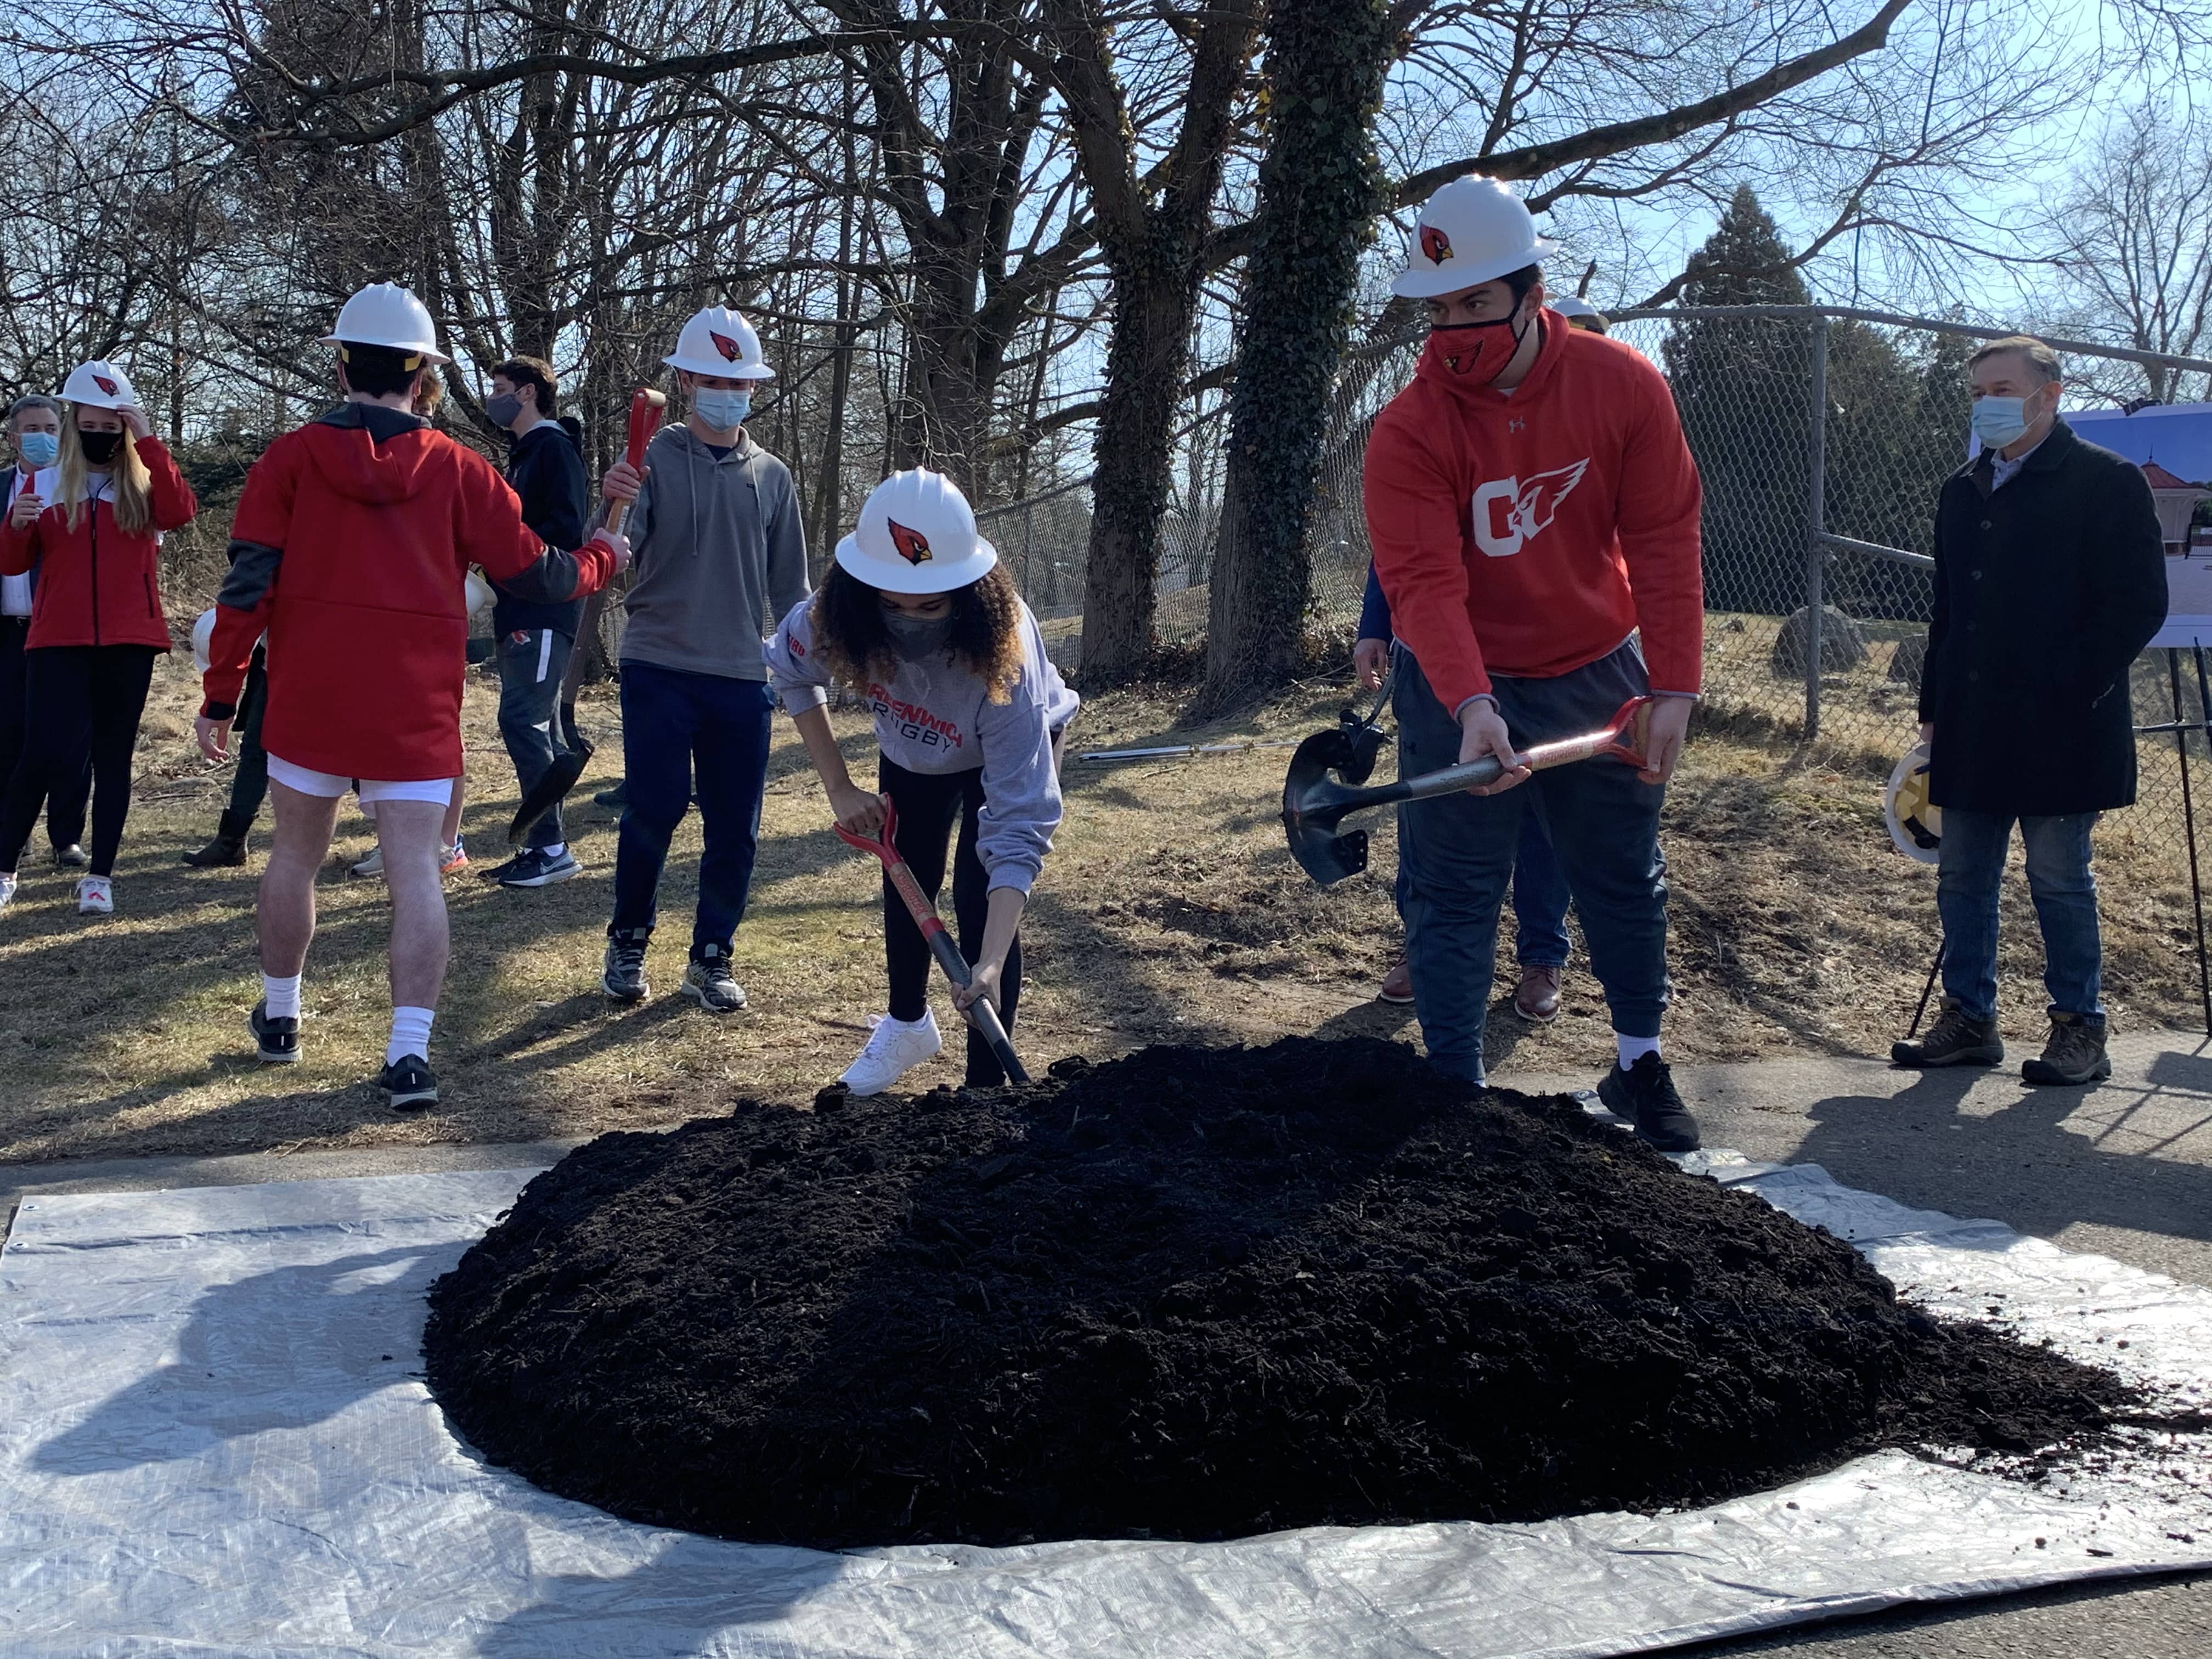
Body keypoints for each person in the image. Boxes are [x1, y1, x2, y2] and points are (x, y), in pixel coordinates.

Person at [194, 283, 627, 1109]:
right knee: (416, 875)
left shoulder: (287, 459)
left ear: (342, 361)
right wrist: (604, 555)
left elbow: (246, 587)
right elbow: (539, 571)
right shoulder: (461, 471)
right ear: (424, 375)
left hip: (310, 698)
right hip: (414, 705)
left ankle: (281, 1020)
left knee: (294, 855)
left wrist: (222, 696)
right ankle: (408, 1056)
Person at [1363, 175, 1704, 1150]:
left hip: (1599, 666)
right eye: (1437, 310)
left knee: (1620, 873)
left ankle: (1638, 1059)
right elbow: (1423, 583)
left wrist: (1674, 684)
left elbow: (1666, 536)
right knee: (1453, 882)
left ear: (1528, 290)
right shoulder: (1408, 431)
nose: (1453, 328)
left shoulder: (1624, 386)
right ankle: (1452, 1087)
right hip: (1460, 677)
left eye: (1474, 302)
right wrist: (1470, 703)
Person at [1892, 336, 2166, 1086]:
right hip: (1972, 724)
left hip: (2065, 727)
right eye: (1977, 392)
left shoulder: (2107, 483)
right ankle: (1969, 1020)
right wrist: (1934, 708)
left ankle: (2080, 1029)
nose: (1988, 405)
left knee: (2059, 878)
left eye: (2002, 388)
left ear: (2050, 392)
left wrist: (2069, 688)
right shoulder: (1962, 488)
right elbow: (1946, 611)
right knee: (1962, 875)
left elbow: (2138, 603)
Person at [766, 469, 1077, 1093]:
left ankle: (986, 1089)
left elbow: (1019, 823)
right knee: (907, 879)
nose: (911, 620)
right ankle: (908, 1024)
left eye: (930, 605)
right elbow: (790, 673)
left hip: (1009, 746)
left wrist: (987, 962)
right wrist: (838, 788)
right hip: (915, 750)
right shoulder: (834, 617)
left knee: (977, 891)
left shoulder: (1004, 655)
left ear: (966, 591)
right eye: (893, 604)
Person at [595, 305, 808, 1013]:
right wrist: (612, 508)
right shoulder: (649, 458)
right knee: (653, 809)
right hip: (658, 664)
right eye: (714, 377)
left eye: (740, 380)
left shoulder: (773, 478)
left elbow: (791, 592)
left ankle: (711, 957)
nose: (728, 391)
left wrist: (808, 663)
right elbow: (614, 561)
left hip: (741, 677)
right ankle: (627, 942)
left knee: (733, 825)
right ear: (685, 380)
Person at [0, 363, 197, 915]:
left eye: (113, 428)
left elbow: (181, 511)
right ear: (73, 425)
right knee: (38, 755)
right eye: (91, 424)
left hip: (129, 641)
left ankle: (100, 878)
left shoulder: (143, 486)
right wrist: (15, 525)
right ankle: (5, 866)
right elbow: (13, 562)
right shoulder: (42, 483)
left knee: (111, 761)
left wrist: (150, 439)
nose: (101, 436)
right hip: (56, 641)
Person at [1356, 563, 1572, 1020]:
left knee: (1540, 807)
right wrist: (1374, 622)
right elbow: (1398, 536)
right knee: (1431, 811)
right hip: (1433, 654)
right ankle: (1423, 949)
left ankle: (1543, 956)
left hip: (1544, 659)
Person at [478, 355, 591, 889]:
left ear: (527, 394)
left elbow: (566, 530)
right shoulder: (522, 454)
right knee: (520, 722)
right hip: (516, 608)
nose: (490, 397)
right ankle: (544, 845)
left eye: (499, 388)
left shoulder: (553, 448)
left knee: (525, 722)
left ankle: (551, 849)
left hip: (544, 610)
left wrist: (505, 540)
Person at [1, 394, 91, 871]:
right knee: (9, 738)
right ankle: (13, 837)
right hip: (7, 636)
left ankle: (67, 838)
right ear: (13, 437)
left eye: (51, 428)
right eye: (31, 429)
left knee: (71, 740)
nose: (42, 438)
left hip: (60, 633)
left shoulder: (77, 488)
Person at [181, 608, 269, 866]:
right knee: (256, 747)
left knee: (347, 750)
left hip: (313, 653)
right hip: (280, 656)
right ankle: (232, 841)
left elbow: (243, 618)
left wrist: (219, 703)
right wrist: (221, 702)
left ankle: (388, 836)